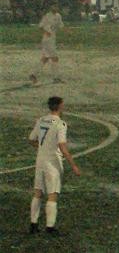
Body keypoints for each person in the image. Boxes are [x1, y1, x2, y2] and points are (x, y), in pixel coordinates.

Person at [28, 96, 82, 235]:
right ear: (60, 106)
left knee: (38, 192)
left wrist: (42, 149)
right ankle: (50, 227)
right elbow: (62, 146)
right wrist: (73, 165)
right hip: (53, 162)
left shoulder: (41, 120)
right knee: (52, 194)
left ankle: (33, 224)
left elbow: (31, 139)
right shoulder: (60, 124)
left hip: (40, 160)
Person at [30, 5, 65, 84]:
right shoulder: (47, 16)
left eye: (57, 6)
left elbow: (61, 26)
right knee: (55, 58)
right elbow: (40, 26)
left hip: (52, 39)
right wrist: (46, 32)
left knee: (45, 58)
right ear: (51, 7)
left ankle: (34, 74)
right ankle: (56, 78)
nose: (56, 8)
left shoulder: (58, 16)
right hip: (47, 39)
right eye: (54, 6)